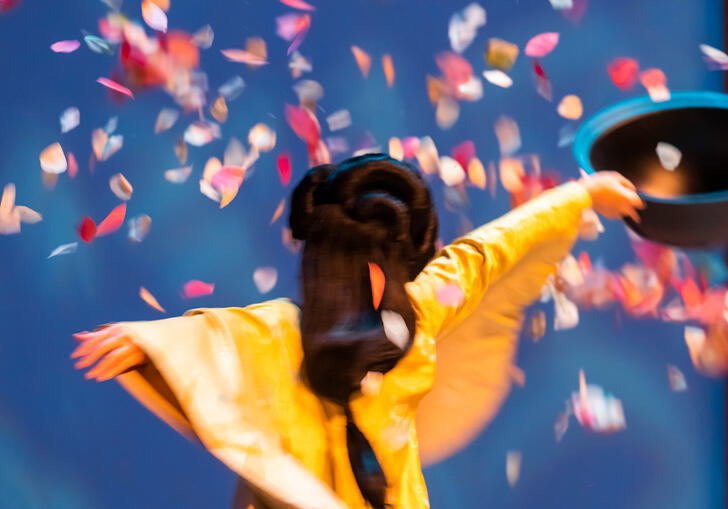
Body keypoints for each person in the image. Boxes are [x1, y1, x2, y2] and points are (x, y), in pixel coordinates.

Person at [71, 154, 643, 509]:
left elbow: (489, 252)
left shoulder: (415, 312)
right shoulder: (282, 331)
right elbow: (214, 342)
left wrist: (584, 195)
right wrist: (149, 341)